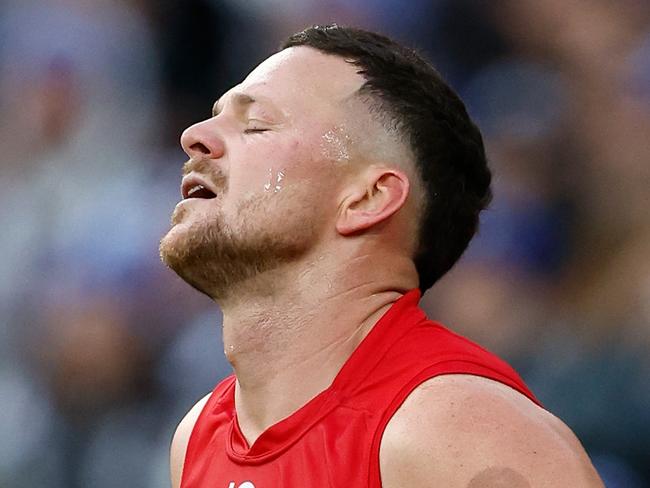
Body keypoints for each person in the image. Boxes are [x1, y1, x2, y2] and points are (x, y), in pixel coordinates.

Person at [159, 24, 603, 488]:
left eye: (256, 124)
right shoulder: (197, 437)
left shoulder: (457, 432)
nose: (195, 136)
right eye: (216, 115)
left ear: (368, 199)